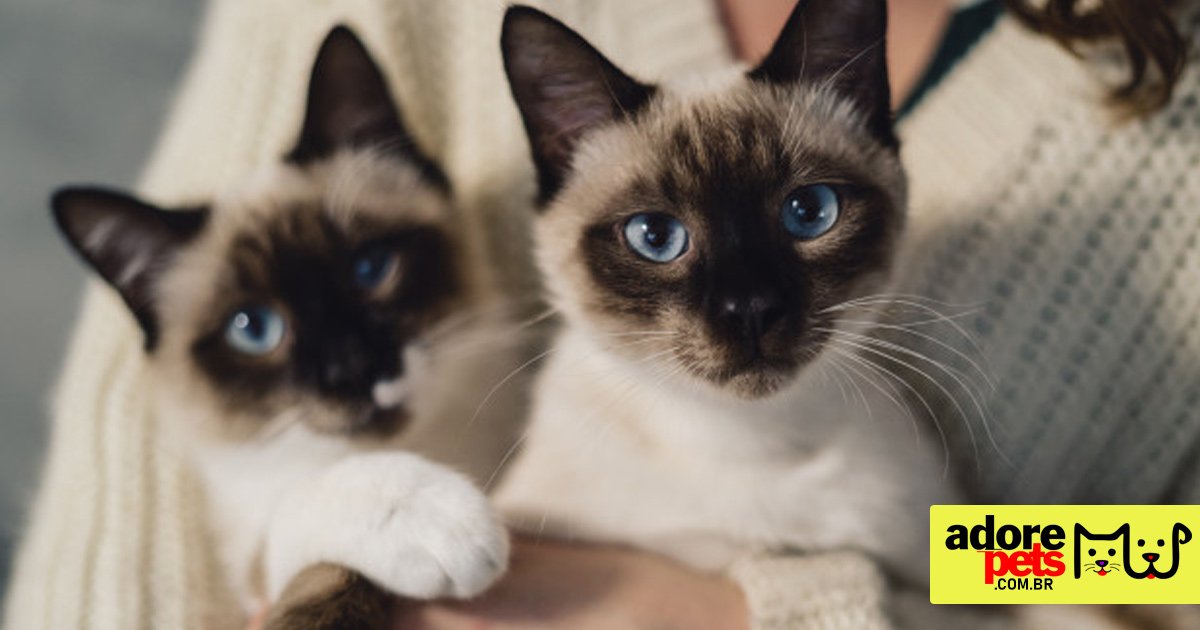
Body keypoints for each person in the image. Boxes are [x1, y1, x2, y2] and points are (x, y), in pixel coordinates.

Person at [4, 1, 1198, 629]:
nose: (746, 309)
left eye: (809, 215)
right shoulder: (542, 453)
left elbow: (1154, 568)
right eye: (658, 240)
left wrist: (728, 616)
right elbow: (162, 458)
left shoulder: (913, 473)